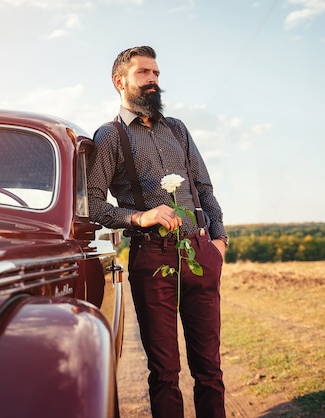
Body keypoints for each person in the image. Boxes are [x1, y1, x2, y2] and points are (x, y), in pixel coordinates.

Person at [87, 45, 228, 418]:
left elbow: (205, 188)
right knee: (165, 373)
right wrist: (139, 218)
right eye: (143, 73)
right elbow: (92, 204)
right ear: (120, 82)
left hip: (200, 253)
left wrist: (219, 241)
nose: (152, 80)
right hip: (152, 258)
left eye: (156, 74)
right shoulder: (110, 136)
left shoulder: (177, 130)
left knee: (210, 369)